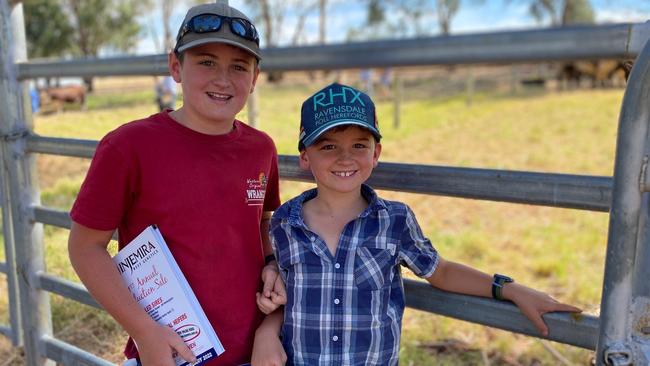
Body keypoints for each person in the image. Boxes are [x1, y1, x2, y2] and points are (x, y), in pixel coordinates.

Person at [260, 82, 581, 365]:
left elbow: (440, 271)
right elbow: (284, 294)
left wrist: (508, 288)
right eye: (328, 146)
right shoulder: (286, 223)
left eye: (359, 145)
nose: (345, 157)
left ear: (376, 153)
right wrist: (267, 330)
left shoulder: (394, 221)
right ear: (305, 157)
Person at [68, 3, 285, 365]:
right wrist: (145, 332)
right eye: (206, 61)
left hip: (252, 350)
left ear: (255, 76)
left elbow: (262, 222)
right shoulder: (127, 147)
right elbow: (84, 247)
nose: (223, 78)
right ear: (175, 67)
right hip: (167, 351)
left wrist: (274, 266)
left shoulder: (261, 149)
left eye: (238, 66)